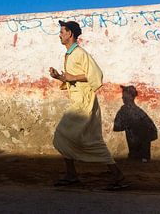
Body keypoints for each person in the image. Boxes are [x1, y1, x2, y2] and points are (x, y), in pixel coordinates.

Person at [49, 20, 128, 190]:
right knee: (83, 138)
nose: (60, 34)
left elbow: (96, 75)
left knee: (63, 134)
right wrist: (59, 77)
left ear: (70, 33)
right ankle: (76, 175)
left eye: (62, 31)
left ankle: (113, 176)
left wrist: (72, 78)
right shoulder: (70, 55)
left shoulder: (79, 53)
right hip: (79, 101)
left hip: (84, 103)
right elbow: (72, 77)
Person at [114, 85, 158, 162]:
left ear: (131, 96)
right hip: (144, 152)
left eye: (124, 96)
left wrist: (129, 125)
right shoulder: (139, 112)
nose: (123, 98)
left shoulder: (125, 110)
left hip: (137, 150)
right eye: (123, 96)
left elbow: (117, 127)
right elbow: (153, 132)